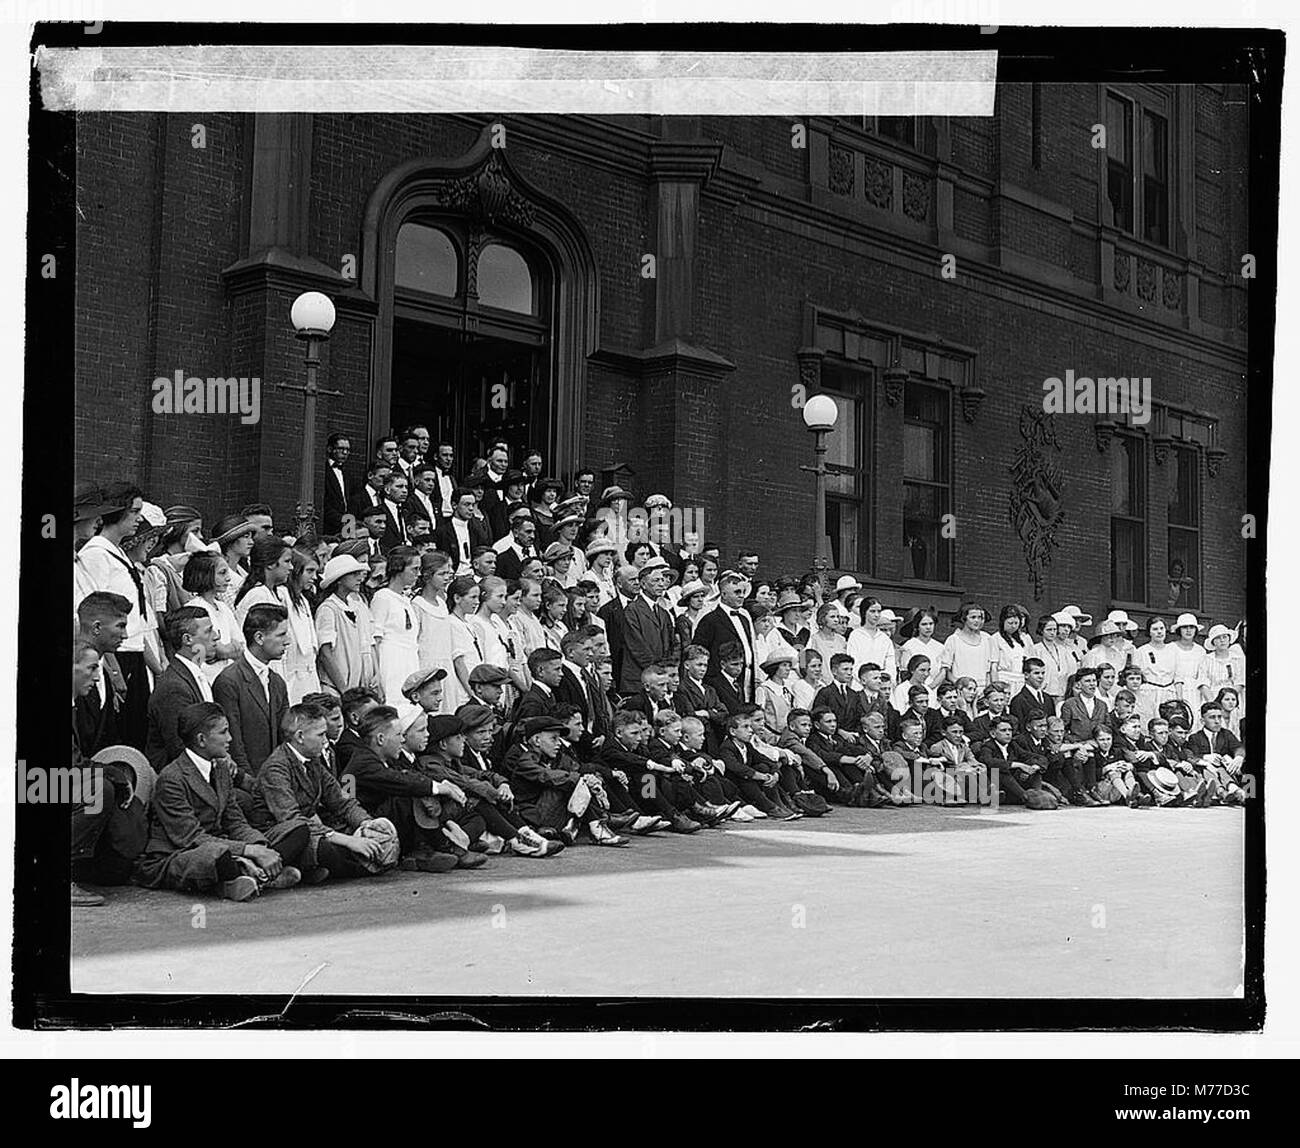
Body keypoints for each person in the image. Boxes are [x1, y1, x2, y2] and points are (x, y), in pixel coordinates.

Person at [135, 702, 312, 900]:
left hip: (225, 843)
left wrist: (260, 847)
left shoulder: (220, 769)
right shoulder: (172, 778)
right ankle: (254, 875)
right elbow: (191, 838)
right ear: (201, 740)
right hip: (184, 852)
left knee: (298, 829)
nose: (230, 739)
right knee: (215, 855)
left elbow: (235, 821)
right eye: (223, 732)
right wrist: (249, 851)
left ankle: (249, 876)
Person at [248, 702, 398, 881]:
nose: (325, 740)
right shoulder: (276, 768)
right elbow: (291, 820)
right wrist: (349, 840)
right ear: (300, 736)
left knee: (350, 846)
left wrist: (366, 823)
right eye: (320, 735)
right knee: (329, 849)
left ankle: (307, 870)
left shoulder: (313, 762)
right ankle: (279, 871)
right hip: (281, 836)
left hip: (311, 830)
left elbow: (343, 800)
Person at [74, 484, 157, 748]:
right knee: (114, 734)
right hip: (113, 655)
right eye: (133, 511)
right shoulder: (96, 554)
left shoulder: (118, 553)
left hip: (129, 652)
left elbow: (137, 623)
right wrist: (112, 668)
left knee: (134, 731)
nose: (139, 519)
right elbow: (94, 616)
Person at [421, 713, 564, 857]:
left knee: (483, 812)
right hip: (439, 817)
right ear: (443, 744)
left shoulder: (452, 762)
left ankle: (528, 836)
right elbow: (465, 783)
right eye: (458, 737)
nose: (464, 739)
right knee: (480, 801)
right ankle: (519, 841)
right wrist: (495, 793)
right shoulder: (431, 764)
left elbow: (481, 774)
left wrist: (502, 784)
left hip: (457, 814)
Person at [339, 705, 461, 871]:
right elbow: (399, 782)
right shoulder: (363, 762)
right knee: (408, 795)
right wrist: (439, 788)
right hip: (363, 827)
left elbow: (407, 777)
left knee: (419, 791)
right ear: (381, 739)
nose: (402, 740)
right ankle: (435, 848)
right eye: (398, 735)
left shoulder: (379, 757)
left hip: (377, 823)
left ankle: (424, 850)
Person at [506, 715, 628, 844]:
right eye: (554, 739)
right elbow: (546, 776)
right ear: (537, 740)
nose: (559, 743)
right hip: (534, 816)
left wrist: (593, 779)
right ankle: (598, 826)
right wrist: (582, 779)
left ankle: (588, 824)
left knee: (579, 779)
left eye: (559, 739)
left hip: (552, 813)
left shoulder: (556, 757)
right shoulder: (525, 761)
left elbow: (578, 768)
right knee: (569, 783)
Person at [211, 603, 290, 780]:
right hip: (248, 786)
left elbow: (285, 737)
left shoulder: (277, 683)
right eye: (281, 634)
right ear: (259, 637)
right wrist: (251, 784)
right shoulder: (229, 682)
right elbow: (233, 744)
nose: (288, 641)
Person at [144, 606, 216, 767]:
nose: (216, 637)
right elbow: (180, 748)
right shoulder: (173, 687)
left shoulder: (195, 675)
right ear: (187, 639)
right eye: (208, 631)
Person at [75, 591, 132, 757]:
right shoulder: (76, 672)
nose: (126, 635)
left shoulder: (104, 673)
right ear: (97, 627)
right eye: (120, 626)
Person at [314, 553, 379, 697]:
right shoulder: (328, 609)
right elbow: (325, 653)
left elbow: (369, 643)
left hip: (358, 687)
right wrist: (343, 689)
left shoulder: (358, 607)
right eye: (353, 574)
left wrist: (376, 673)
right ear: (339, 580)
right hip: (336, 688)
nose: (360, 578)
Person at [692, 570, 759, 700]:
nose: (741, 596)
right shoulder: (710, 619)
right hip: (720, 680)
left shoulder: (744, 618)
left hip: (746, 676)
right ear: (723, 594)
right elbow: (699, 651)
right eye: (737, 593)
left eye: (742, 592)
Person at [369, 545, 421, 705]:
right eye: (414, 569)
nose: (418, 574)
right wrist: (377, 674)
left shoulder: (405, 600)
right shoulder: (382, 597)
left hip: (409, 662)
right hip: (390, 665)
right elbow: (375, 640)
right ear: (399, 569)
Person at [932, 602, 995, 690]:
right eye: (973, 617)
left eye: (979, 617)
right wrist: (959, 684)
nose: (977, 620)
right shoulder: (953, 640)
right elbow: (946, 669)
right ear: (964, 619)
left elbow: (989, 669)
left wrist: (987, 688)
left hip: (982, 689)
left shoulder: (987, 639)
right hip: (961, 689)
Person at [847, 596, 897, 683]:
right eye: (872, 611)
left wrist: (884, 679)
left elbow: (890, 664)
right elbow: (853, 662)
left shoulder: (884, 638)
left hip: (881, 684)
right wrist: (865, 679)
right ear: (864, 612)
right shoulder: (856, 635)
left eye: (879, 611)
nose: (876, 615)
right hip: (860, 684)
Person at [1031, 611, 1077, 702]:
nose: (1052, 633)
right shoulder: (1036, 649)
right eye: (1049, 630)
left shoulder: (1063, 650)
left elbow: (1071, 671)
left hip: (1061, 694)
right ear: (1042, 630)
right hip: (1044, 693)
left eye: (1054, 630)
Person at [991, 604, 1033, 695]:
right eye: (1010, 623)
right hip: (1004, 679)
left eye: (1016, 623)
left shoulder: (1022, 640)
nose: (1013, 626)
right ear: (1003, 622)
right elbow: (993, 666)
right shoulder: (996, 638)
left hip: (1020, 680)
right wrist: (996, 686)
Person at [1170, 612, 1206, 704]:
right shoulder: (1171, 648)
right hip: (1174, 689)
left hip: (1195, 691)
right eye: (1185, 627)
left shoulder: (1200, 650)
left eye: (1192, 627)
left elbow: (1202, 675)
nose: (1188, 630)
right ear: (1179, 630)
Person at [1009, 657, 1056, 725]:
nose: (1041, 676)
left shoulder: (1048, 699)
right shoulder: (1018, 701)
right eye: (1036, 673)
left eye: (1043, 673)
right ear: (1026, 675)